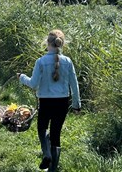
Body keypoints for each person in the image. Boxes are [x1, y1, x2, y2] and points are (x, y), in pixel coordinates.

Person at [18, 29, 81, 172]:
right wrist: (77, 105)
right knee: (55, 134)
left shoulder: (40, 62)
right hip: (62, 102)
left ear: (47, 43)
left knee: (42, 128)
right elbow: (74, 85)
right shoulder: (68, 61)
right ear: (62, 44)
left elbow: (33, 84)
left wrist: (22, 77)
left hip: (45, 102)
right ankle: (52, 169)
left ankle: (46, 154)